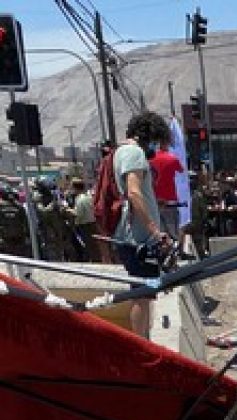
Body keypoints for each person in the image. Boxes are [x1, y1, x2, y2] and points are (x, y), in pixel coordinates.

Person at [112, 111, 173, 337]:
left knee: (145, 294)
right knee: (141, 295)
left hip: (135, 236)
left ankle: (144, 341)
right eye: (156, 141)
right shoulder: (134, 153)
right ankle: (142, 344)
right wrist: (155, 231)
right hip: (138, 238)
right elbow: (134, 193)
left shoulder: (123, 152)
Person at [149, 140, 185, 239]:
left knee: (160, 235)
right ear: (166, 145)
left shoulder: (150, 160)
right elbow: (181, 170)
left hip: (155, 202)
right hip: (170, 201)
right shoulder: (172, 159)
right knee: (174, 235)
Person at [68, 178, 99, 261]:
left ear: (75, 188)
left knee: (89, 246)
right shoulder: (87, 197)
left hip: (85, 226)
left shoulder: (80, 199)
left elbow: (79, 214)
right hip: (92, 223)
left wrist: (67, 210)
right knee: (93, 245)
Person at [0, 186, 30, 256]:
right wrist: (27, 236)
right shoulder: (19, 206)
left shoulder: (1, 206)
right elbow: (25, 222)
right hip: (19, 237)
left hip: (5, 238)